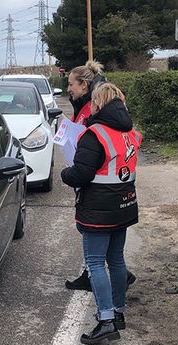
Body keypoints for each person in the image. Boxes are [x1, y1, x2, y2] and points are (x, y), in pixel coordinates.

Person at [60, 83, 142, 345]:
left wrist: (65, 172)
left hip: (98, 208)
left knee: (95, 262)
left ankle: (105, 320)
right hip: (125, 204)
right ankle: (118, 313)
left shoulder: (95, 134)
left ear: (98, 103)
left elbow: (80, 174)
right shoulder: (131, 133)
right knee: (116, 259)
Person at [64, 62, 137, 291]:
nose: (68, 89)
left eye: (71, 84)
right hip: (116, 188)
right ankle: (115, 297)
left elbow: (94, 143)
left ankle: (107, 310)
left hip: (97, 182)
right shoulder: (88, 105)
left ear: (84, 85)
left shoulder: (94, 111)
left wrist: (70, 173)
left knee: (96, 246)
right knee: (110, 251)